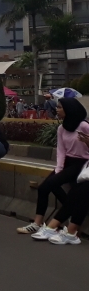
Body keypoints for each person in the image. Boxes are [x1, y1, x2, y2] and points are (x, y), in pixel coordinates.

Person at [20, 98, 89, 238]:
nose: (57, 109)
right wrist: (58, 169)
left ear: (69, 109)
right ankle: (37, 223)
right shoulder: (61, 128)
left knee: (54, 185)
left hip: (82, 163)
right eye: (57, 107)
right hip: (68, 163)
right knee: (44, 187)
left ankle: (63, 217)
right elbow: (61, 151)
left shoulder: (83, 126)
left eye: (60, 107)